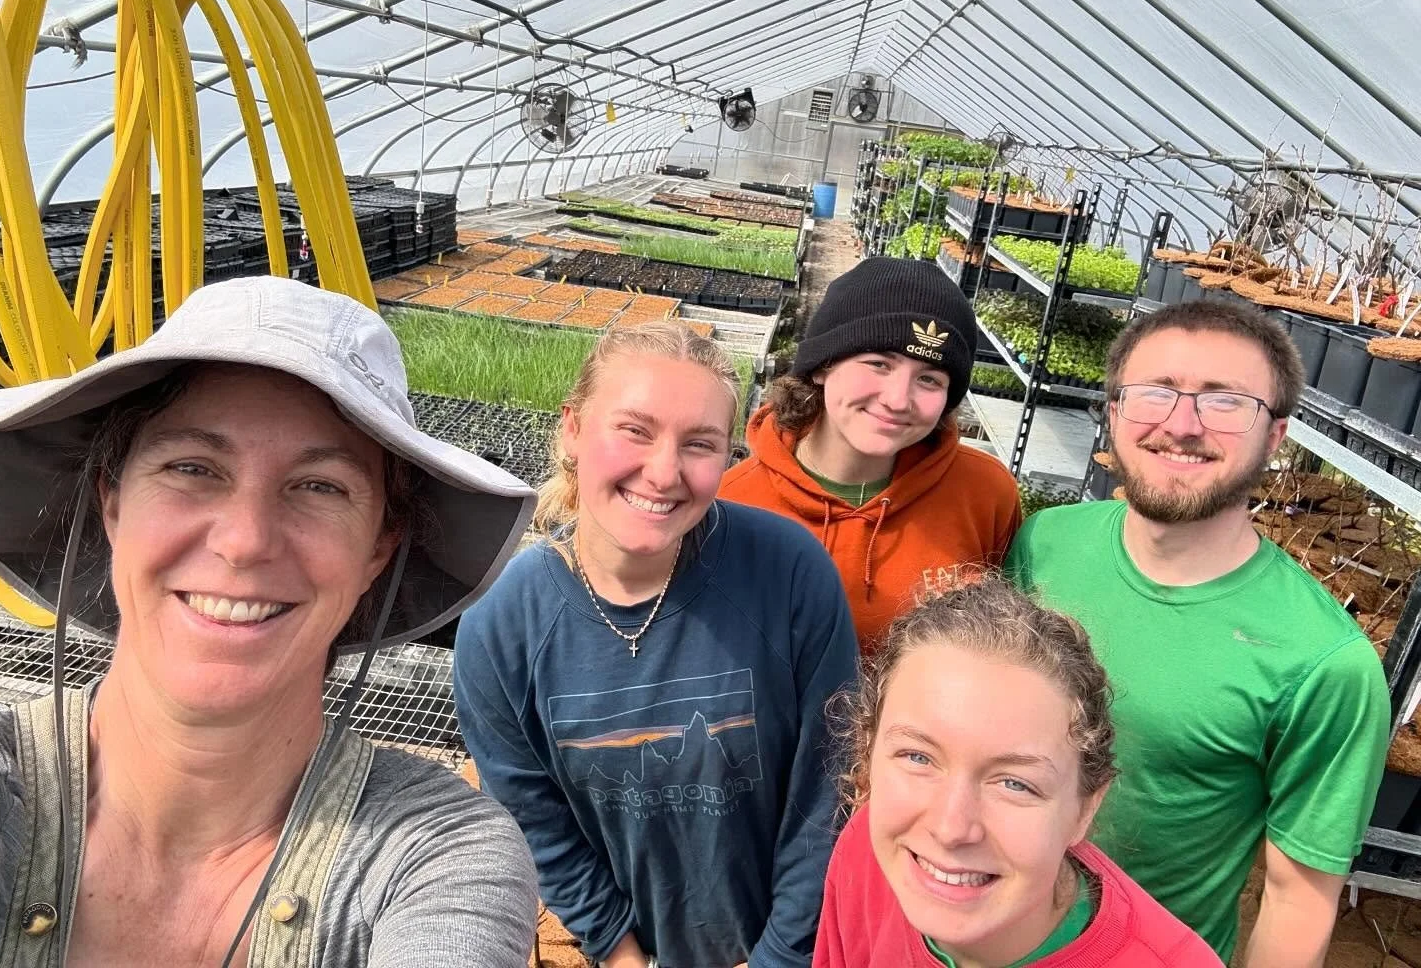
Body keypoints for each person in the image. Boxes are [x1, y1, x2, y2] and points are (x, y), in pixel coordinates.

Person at [0, 276, 540, 966]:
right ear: (113, 503)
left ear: (377, 549)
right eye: (194, 467)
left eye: (318, 487)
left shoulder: (431, 855)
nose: (245, 540)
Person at [451, 320, 859, 968]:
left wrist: (781, 957)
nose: (664, 472)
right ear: (574, 429)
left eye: (700, 444)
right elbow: (537, 821)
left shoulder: (790, 575)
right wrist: (619, 952)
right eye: (635, 430)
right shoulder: (500, 629)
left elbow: (828, 789)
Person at [1005, 300, 1390, 966]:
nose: (1181, 426)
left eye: (1225, 403)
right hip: (973, 932)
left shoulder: (1325, 662)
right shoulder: (1044, 544)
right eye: (1154, 393)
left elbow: (1298, 898)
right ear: (1116, 411)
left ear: (1276, 437)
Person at [814, 573, 1220, 967]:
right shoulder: (864, 854)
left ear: (1085, 809)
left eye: (1015, 784)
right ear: (867, 756)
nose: (951, 829)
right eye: (917, 757)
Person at [719, 257, 1020, 654]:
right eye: (878, 364)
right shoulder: (731, 503)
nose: (898, 400)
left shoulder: (985, 494)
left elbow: (1009, 647)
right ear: (823, 365)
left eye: (929, 378)